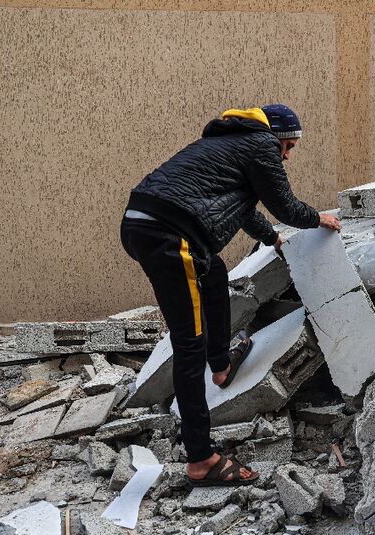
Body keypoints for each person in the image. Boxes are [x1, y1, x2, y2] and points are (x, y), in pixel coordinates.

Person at [121, 104, 341, 486]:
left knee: (216, 271)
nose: (286, 155)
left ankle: (221, 366)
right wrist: (318, 218)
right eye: (288, 145)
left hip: (149, 224)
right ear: (276, 136)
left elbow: (242, 209)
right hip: (170, 237)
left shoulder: (230, 146)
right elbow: (284, 205)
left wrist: (272, 239)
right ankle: (201, 460)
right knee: (189, 344)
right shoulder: (260, 145)